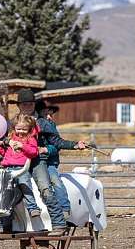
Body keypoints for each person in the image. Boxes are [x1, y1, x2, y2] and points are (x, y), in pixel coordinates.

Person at [11, 89, 86, 232]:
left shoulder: (43, 123)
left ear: (34, 105)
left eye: (30, 104)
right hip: (18, 160)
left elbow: (55, 141)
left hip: (38, 160)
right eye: (24, 104)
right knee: (5, 186)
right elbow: (4, 138)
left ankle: (58, 221)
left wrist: (74, 145)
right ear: (19, 105)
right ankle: (6, 221)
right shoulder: (13, 122)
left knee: (46, 188)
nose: (28, 107)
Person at [0, 113, 41, 218]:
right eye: (18, 129)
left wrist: (22, 146)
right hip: (7, 168)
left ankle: (33, 207)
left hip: (21, 168)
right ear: (14, 128)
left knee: (25, 185)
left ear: (29, 129)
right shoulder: (11, 138)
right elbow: (6, 154)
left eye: (24, 129)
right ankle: (4, 211)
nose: (21, 132)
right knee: (4, 190)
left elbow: (34, 152)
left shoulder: (30, 139)